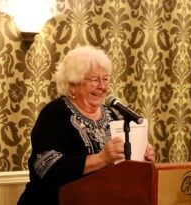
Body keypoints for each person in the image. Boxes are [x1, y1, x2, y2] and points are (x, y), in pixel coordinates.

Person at [17, 46, 155, 205]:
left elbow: (119, 167)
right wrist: (101, 158)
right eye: (95, 80)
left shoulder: (111, 115)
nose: (102, 87)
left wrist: (140, 158)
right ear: (72, 85)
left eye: (105, 79)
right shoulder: (54, 113)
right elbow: (47, 167)